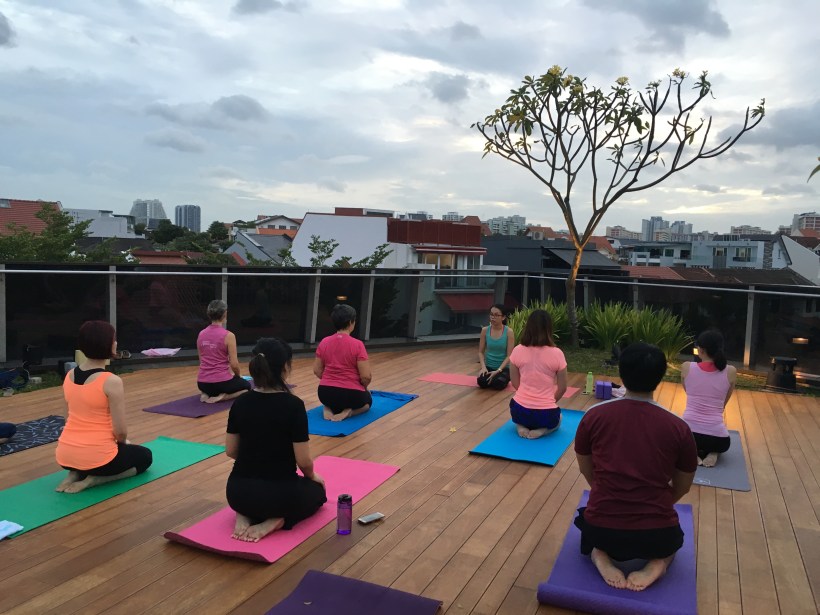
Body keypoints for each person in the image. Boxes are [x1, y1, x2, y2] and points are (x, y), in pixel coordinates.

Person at [574, 342, 697, 592]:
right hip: (657, 534)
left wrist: (608, 493)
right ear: (661, 377)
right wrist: (656, 503)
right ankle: (658, 562)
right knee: (673, 543)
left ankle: (600, 555)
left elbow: (587, 470)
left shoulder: (593, 416)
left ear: (622, 373)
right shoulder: (679, 427)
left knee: (587, 526)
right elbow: (683, 486)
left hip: (602, 529)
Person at [226, 338, 327, 542]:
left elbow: (231, 451)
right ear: (285, 368)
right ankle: (276, 520)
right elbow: (303, 461)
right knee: (318, 493)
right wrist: (314, 477)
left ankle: (244, 514)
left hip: (237, 493)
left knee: (255, 496)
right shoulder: (294, 405)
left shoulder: (240, 402)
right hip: (278, 497)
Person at [55, 321, 153, 494]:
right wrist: (123, 445)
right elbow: (120, 432)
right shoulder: (111, 381)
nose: (116, 343)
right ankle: (95, 480)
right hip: (99, 458)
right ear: (106, 344)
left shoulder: (69, 375)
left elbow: (67, 418)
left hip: (65, 455)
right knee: (145, 457)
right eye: (114, 340)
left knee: (89, 457)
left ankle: (74, 473)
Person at [681, 330, 737, 467]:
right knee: (722, 442)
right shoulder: (731, 371)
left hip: (688, 435)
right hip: (718, 440)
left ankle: (692, 452)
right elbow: (724, 401)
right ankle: (713, 452)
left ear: (700, 349)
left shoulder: (687, 367)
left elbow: (687, 390)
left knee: (679, 441)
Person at [508, 309, 567, 439]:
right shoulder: (557, 353)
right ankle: (543, 430)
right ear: (549, 329)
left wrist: (528, 398)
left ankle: (521, 426)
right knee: (559, 418)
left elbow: (515, 382)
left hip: (519, 410)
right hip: (545, 413)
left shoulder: (517, 350)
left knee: (515, 406)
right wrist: (548, 402)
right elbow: (563, 388)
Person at [313, 304, 372, 422]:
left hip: (325, 393)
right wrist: (363, 388)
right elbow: (365, 376)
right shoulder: (358, 344)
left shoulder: (324, 342)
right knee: (368, 402)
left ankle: (328, 407)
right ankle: (350, 412)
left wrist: (331, 381)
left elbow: (317, 371)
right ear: (351, 322)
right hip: (352, 395)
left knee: (334, 400)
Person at [197, 300, 251, 403]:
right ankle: (223, 397)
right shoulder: (229, 336)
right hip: (221, 383)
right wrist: (238, 376)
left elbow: (202, 360)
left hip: (202, 383)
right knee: (247, 387)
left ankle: (205, 394)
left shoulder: (201, 334)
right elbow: (234, 364)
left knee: (213, 386)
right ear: (225, 314)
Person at [477, 304, 515, 390]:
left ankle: (501, 377)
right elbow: (480, 352)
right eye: (491, 314)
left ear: (503, 317)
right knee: (482, 382)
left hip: (503, 368)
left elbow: (510, 355)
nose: (493, 317)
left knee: (498, 383)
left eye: (496, 315)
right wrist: (483, 367)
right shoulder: (485, 330)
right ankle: (491, 377)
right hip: (489, 366)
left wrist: (498, 370)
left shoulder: (509, 332)